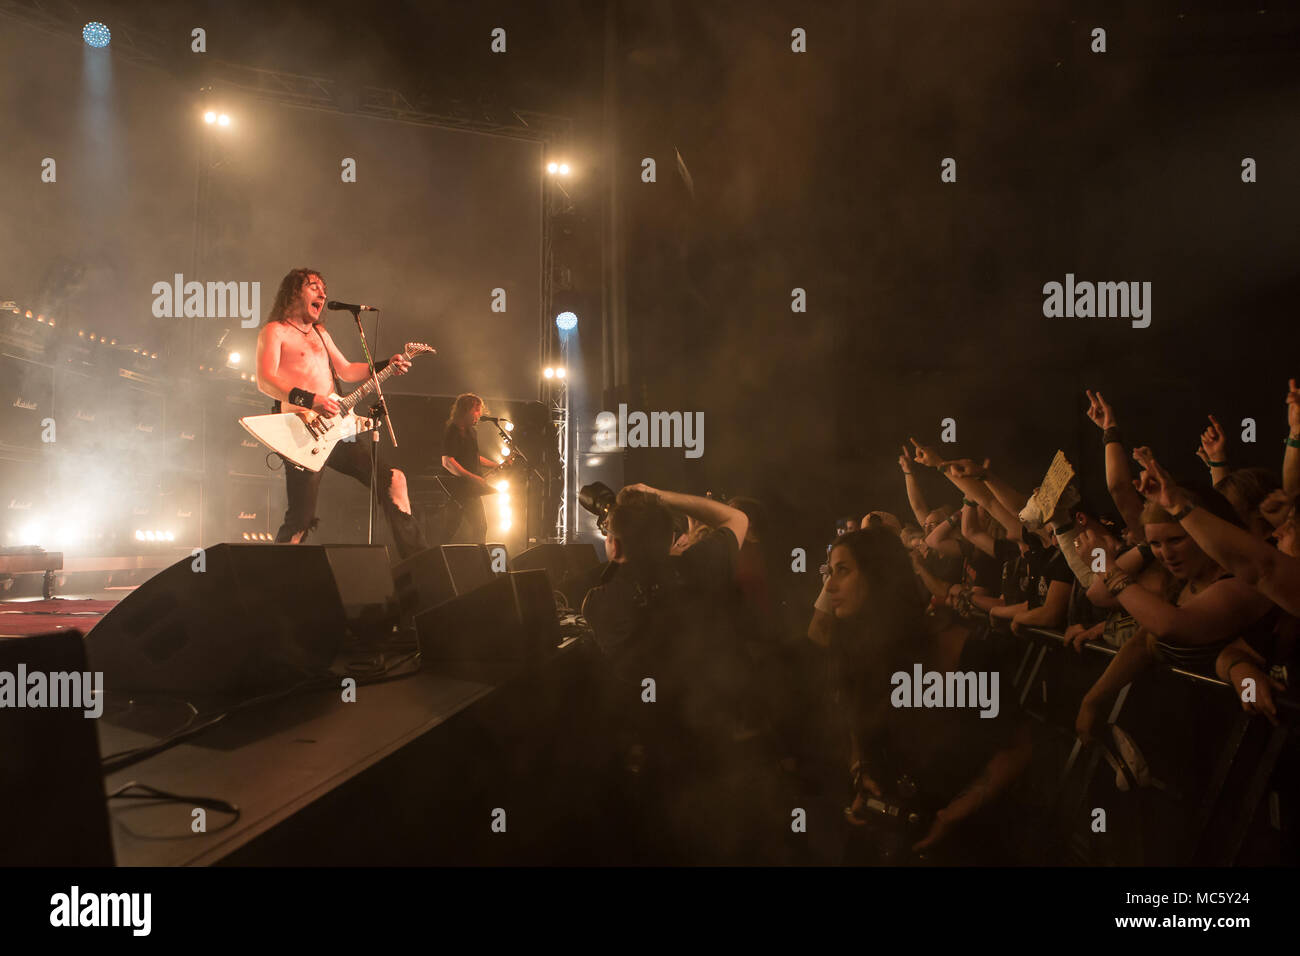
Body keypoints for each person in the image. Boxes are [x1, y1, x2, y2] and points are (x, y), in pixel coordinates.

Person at [825, 528, 1031, 864]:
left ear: (879, 575)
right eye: (829, 571)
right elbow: (856, 723)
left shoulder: (962, 651)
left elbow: (1017, 748)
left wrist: (953, 814)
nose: (829, 585)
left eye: (843, 571)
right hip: (885, 834)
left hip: (960, 841)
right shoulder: (856, 651)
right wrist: (861, 772)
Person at [255, 267, 426, 558]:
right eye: (313, 287)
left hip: (336, 430)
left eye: (324, 288)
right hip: (300, 431)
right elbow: (265, 380)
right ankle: (275, 583)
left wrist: (388, 363)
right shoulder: (275, 331)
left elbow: (346, 371)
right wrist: (311, 400)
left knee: (394, 480)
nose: (322, 293)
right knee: (300, 519)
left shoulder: (321, 333)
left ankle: (420, 563)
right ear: (294, 292)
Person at [438, 393, 500, 544]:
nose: (479, 414)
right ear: (465, 411)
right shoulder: (453, 430)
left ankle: (478, 563)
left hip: (470, 489)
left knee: (478, 527)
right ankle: (438, 561)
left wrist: (495, 465)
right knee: (453, 529)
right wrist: (473, 477)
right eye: (476, 410)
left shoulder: (472, 432)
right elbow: (448, 461)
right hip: (457, 490)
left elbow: (474, 457)